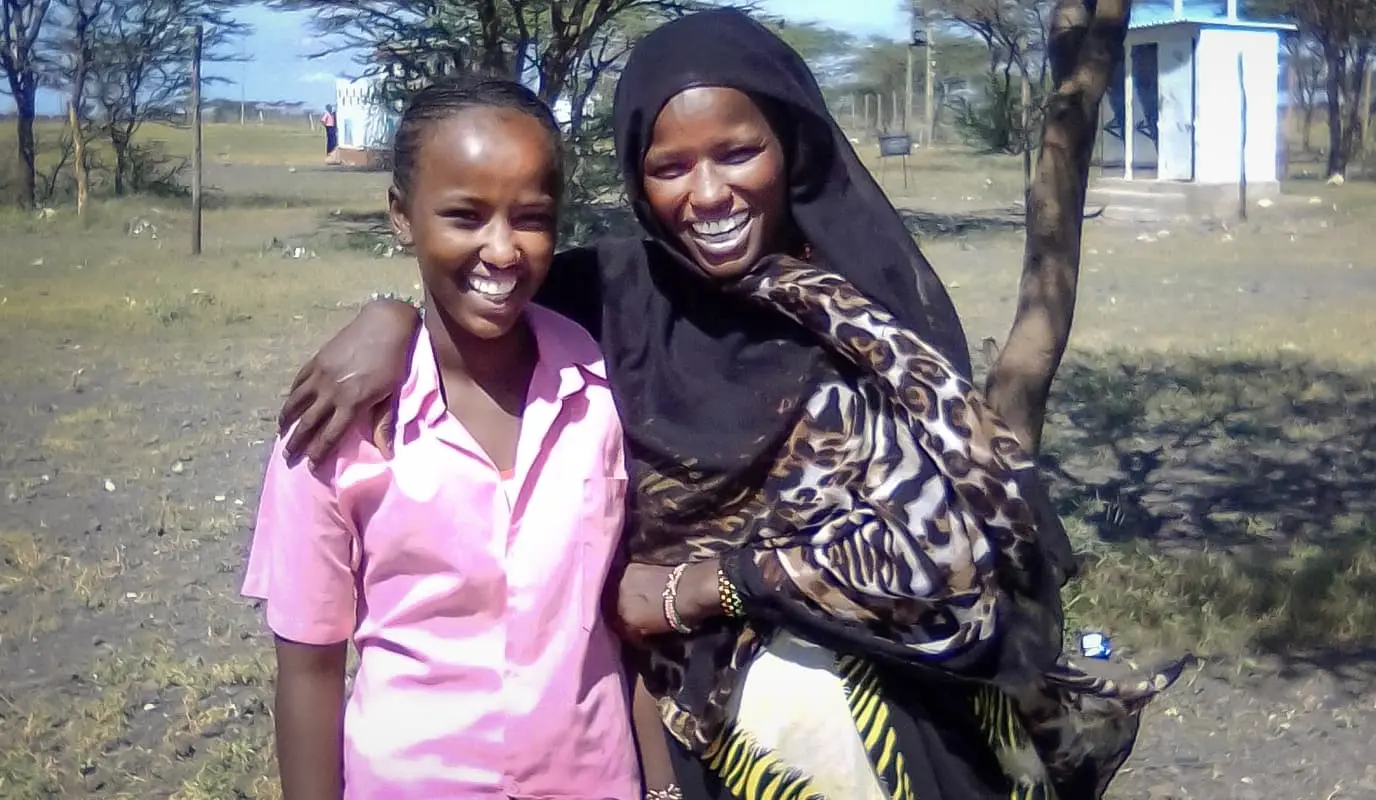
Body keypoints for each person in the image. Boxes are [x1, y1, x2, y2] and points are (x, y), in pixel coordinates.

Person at [277, 11, 1180, 800]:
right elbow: (477, 289)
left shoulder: (869, 319)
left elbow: (958, 556)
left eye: (738, 152)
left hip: (877, 730)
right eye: (669, 166)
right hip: (669, 737)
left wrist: (703, 587)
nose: (707, 195)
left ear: (790, 145)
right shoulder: (609, 301)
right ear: (636, 174)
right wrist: (386, 316)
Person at [242, 77, 640, 799]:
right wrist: (390, 314)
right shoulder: (339, 422)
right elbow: (310, 668)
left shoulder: (603, 389)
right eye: (464, 215)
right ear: (402, 216)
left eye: (531, 217)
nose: (502, 250)